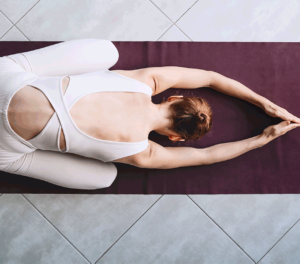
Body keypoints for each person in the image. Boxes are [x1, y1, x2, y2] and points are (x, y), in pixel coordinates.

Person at [0, 39, 299, 190]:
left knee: (108, 52)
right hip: (5, 146)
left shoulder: (147, 80)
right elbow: (207, 156)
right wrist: (261, 139)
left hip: (6, 81)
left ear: (175, 97)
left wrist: (266, 104)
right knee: (105, 178)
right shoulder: (142, 153)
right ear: (174, 137)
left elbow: (210, 77)